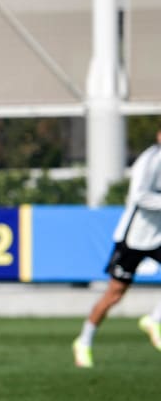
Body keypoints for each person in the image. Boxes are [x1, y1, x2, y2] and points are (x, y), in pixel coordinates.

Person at [73, 126, 161, 368]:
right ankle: (84, 341)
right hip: (133, 238)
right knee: (114, 294)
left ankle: (154, 320)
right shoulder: (151, 160)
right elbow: (140, 196)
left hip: (157, 236)